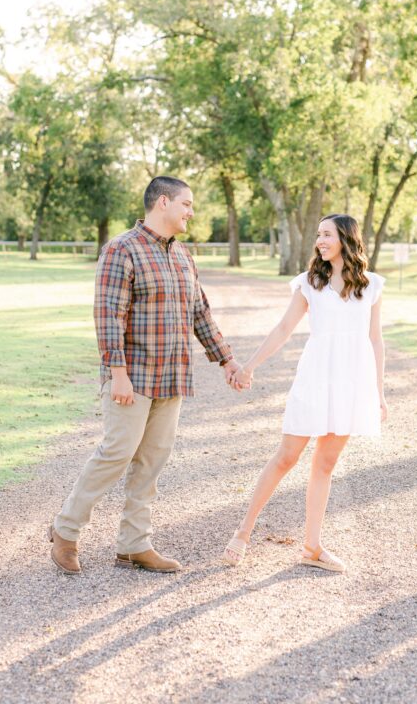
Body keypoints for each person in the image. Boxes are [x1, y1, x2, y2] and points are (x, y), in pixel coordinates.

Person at [50, 176, 245, 575]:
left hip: (171, 376)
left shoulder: (184, 256)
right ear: (162, 203)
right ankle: (65, 531)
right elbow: (108, 315)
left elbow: (200, 314)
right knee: (117, 452)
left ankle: (134, 544)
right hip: (132, 376)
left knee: (152, 460)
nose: (192, 212)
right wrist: (117, 372)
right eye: (187, 204)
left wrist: (227, 360)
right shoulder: (121, 249)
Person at [223, 213, 387, 573]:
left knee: (325, 464)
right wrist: (249, 366)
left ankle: (312, 547)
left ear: (346, 238)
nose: (320, 241)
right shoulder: (310, 283)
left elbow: (375, 339)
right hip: (315, 377)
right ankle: (243, 531)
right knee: (286, 456)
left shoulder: (371, 285)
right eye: (318, 235)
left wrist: (378, 392)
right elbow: (283, 328)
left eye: (327, 234)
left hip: (351, 382)